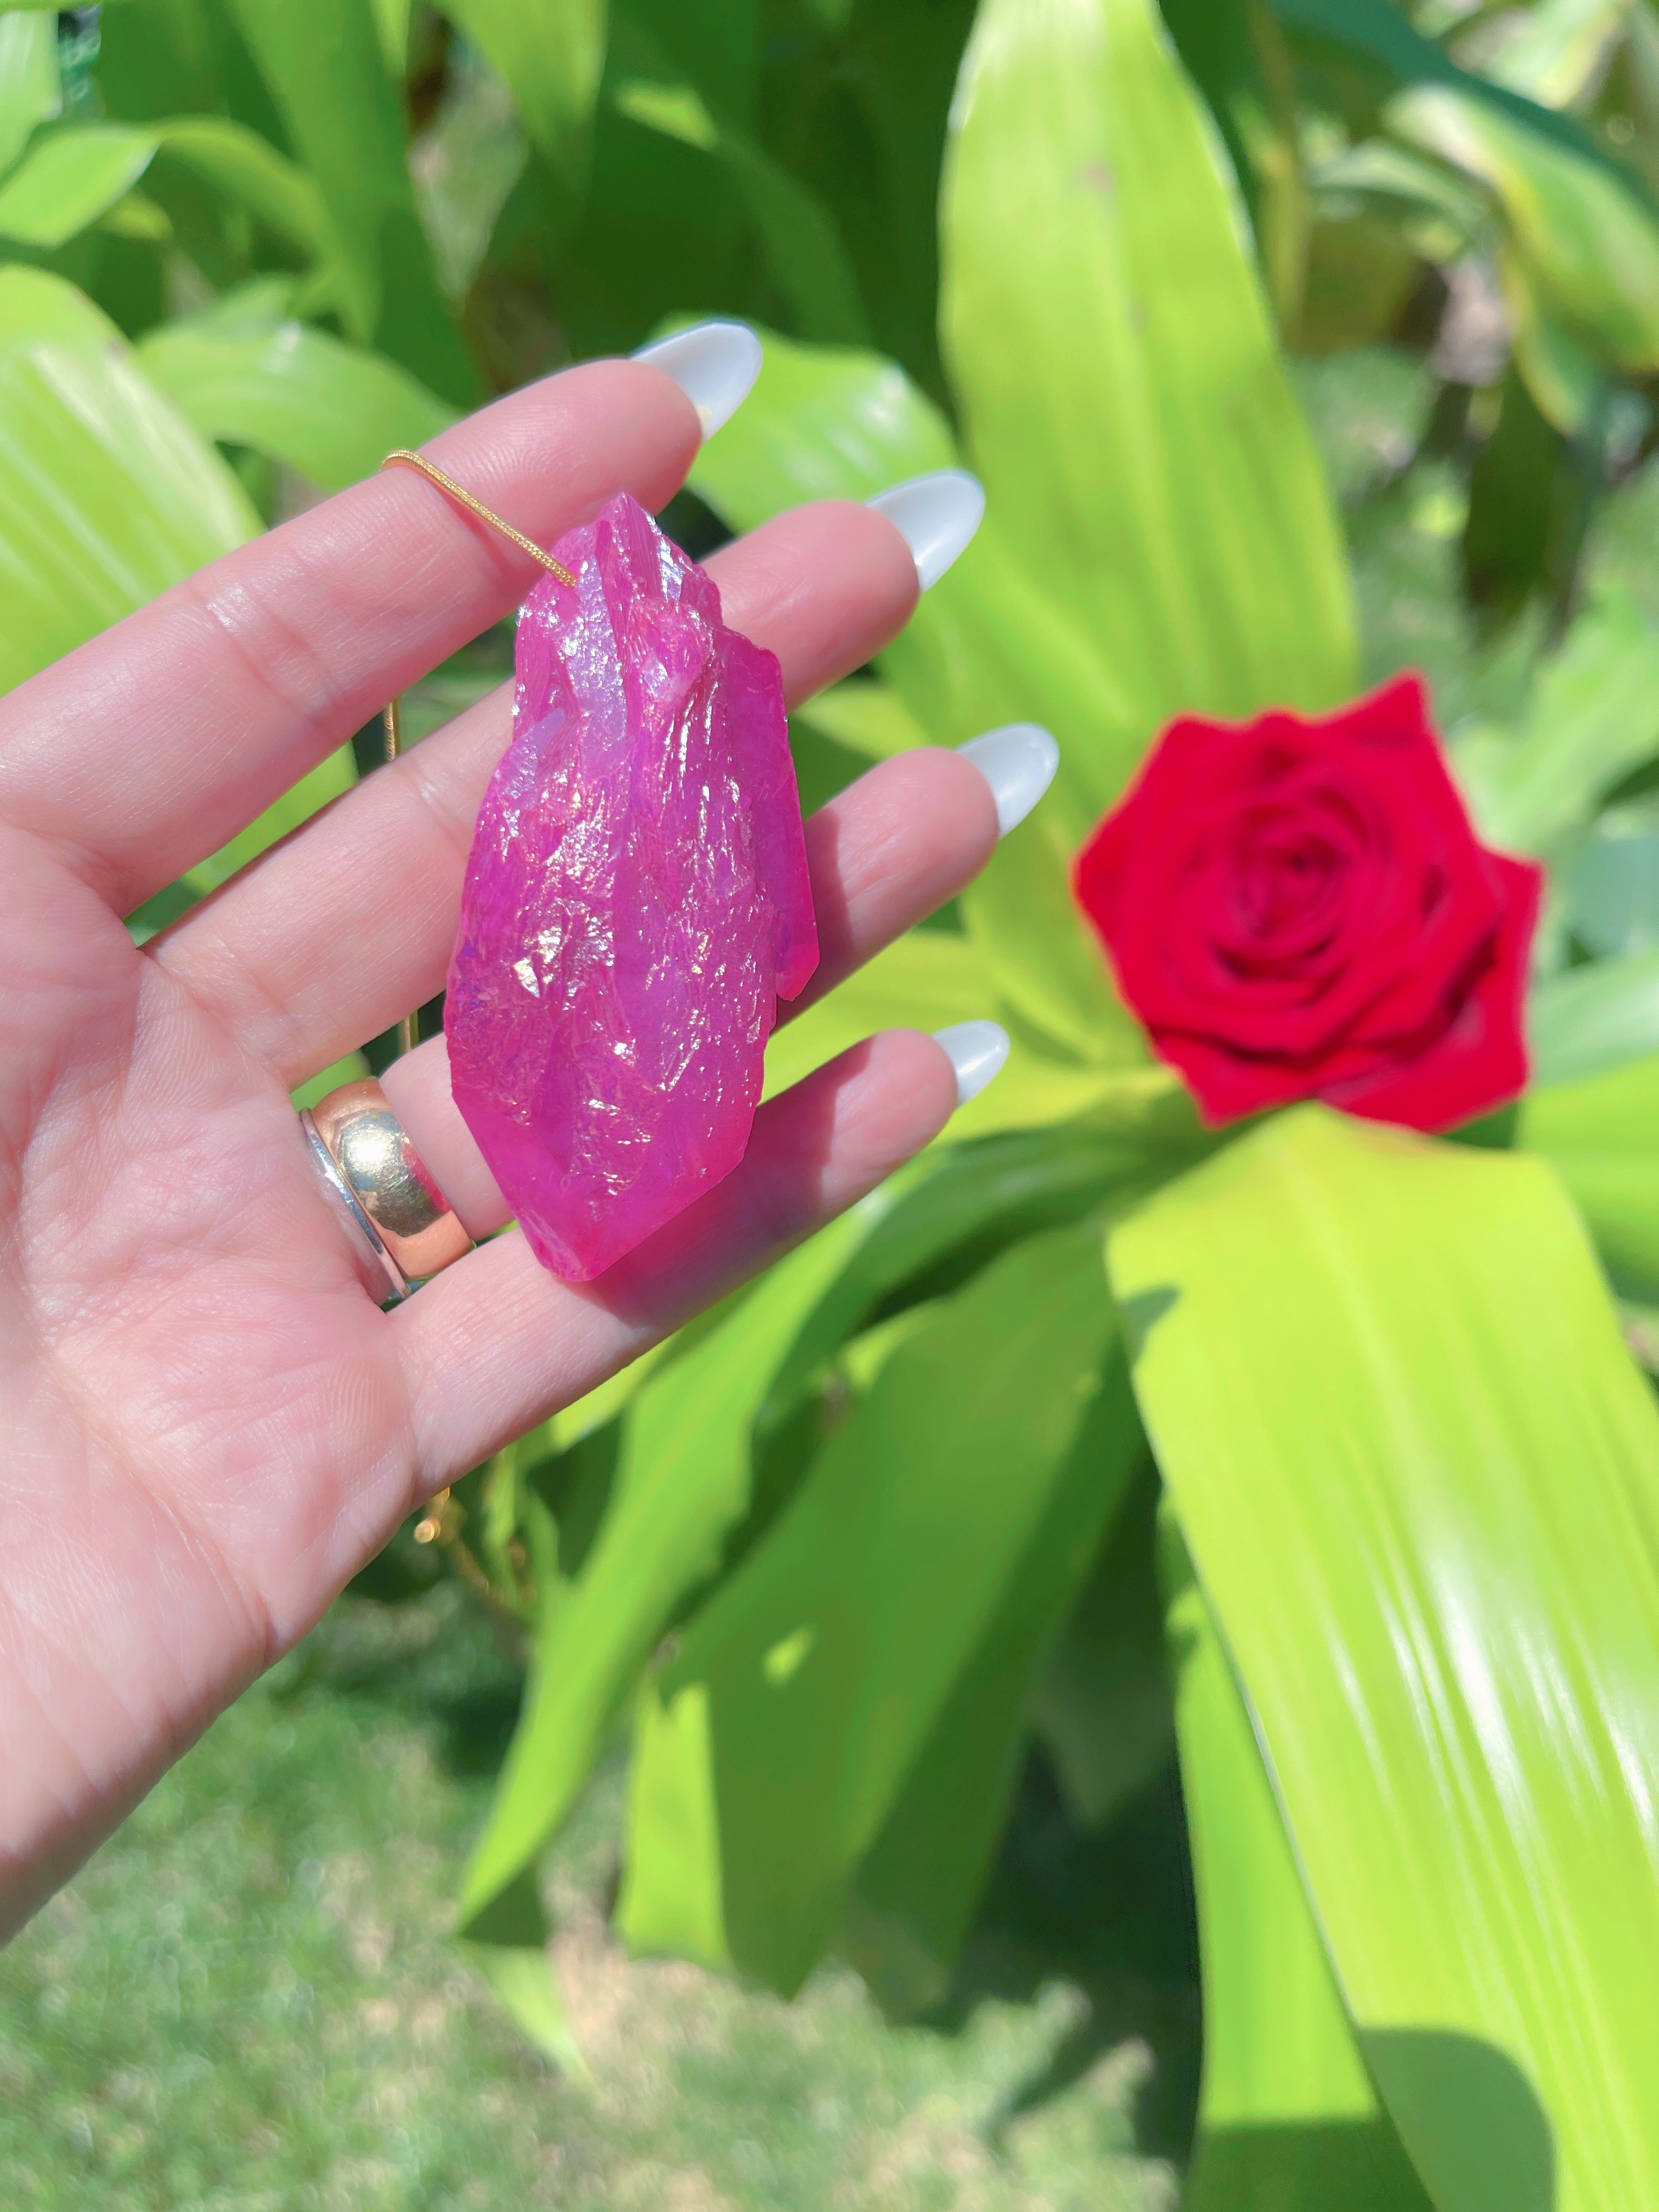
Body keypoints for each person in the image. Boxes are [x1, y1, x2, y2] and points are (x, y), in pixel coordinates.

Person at [0, 324, 1057, 1940]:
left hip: (617, 1108)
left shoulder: (677, 715)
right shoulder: (613, 704)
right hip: (581, 1115)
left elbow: (738, 937)